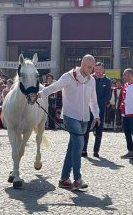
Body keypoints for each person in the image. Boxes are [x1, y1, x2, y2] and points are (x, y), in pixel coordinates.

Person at [39, 55, 100, 190]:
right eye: (89, 67)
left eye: (93, 68)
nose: (91, 70)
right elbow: (53, 87)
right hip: (70, 117)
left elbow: (93, 100)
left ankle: (64, 179)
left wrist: (96, 116)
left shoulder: (92, 81)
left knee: (72, 148)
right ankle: (77, 179)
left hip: (85, 118)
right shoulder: (69, 76)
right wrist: (39, 94)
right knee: (79, 144)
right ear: (82, 64)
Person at [82, 62, 111, 158]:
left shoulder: (107, 81)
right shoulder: (89, 79)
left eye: (99, 69)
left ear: (103, 70)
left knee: (99, 130)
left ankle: (96, 151)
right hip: (88, 108)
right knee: (86, 129)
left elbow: (108, 96)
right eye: (96, 69)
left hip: (100, 109)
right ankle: (84, 149)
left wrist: (96, 103)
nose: (98, 71)